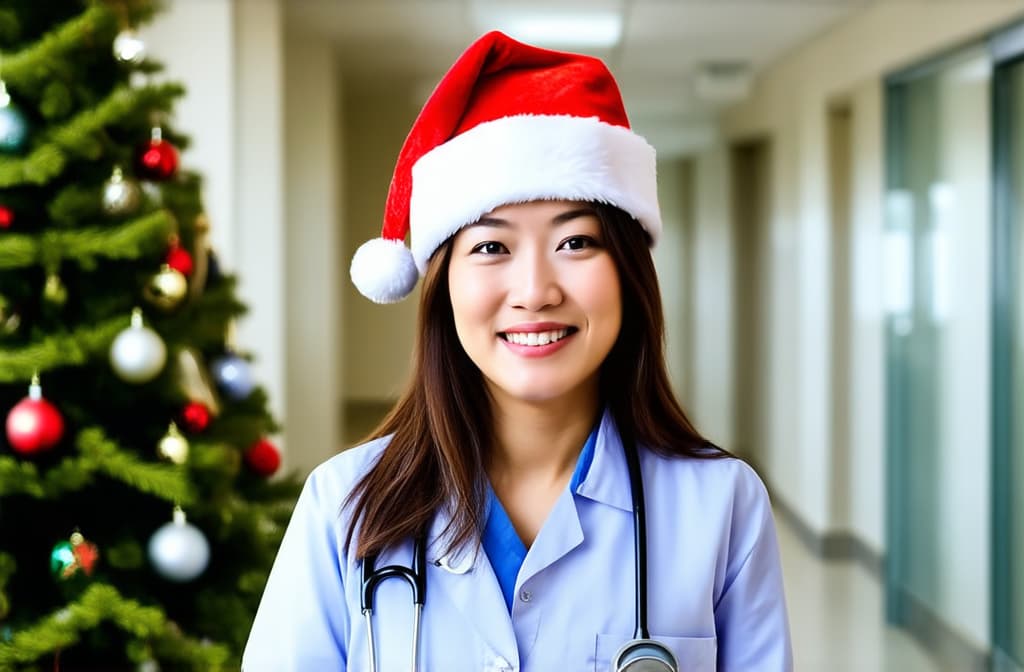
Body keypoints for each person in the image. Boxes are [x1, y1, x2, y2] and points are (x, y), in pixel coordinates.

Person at [242, 31, 792, 672]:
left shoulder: (722, 506)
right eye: (491, 247)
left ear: (628, 272)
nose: (534, 291)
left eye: (576, 243)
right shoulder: (342, 506)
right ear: (442, 284)